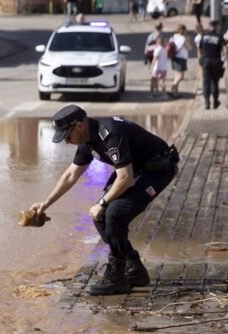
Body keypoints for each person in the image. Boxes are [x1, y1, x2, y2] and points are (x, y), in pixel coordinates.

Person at [29, 105, 180, 295]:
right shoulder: (86, 141)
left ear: (79, 126)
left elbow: (125, 178)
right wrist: (46, 203)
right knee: (100, 216)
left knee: (114, 213)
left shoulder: (109, 134)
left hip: (158, 169)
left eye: (67, 136)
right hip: (136, 169)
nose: (67, 142)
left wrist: (102, 203)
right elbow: (70, 175)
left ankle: (117, 278)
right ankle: (134, 269)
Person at [200, 19, 224, 109]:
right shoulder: (218, 36)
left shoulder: (204, 36)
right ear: (216, 26)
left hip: (206, 60)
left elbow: (200, 48)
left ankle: (206, 102)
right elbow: (223, 49)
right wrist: (224, 61)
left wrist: (201, 58)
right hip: (216, 61)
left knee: (206, 82)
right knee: (215, 82)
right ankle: (215, 101)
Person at [168, 24, 192, 98]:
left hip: (174, 57)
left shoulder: (172, 37)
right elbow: (189, 48)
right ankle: (172, 88)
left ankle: (176, 93)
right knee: (181, 76)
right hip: (181, 58)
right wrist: (189, 44)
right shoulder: (182, 38)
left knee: (176, 76)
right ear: (183, 30)